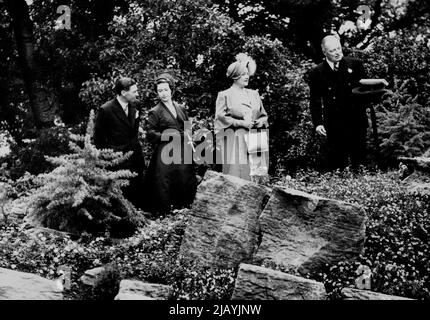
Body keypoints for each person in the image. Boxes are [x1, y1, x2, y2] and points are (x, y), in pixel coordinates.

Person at [308, 35, 368, 170]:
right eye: (332, 50)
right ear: (324, 52)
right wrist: (318, 123)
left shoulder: (356, 65)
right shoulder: (317, 72)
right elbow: (315, 100)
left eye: (339, 48)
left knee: (359, 163)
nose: (337, 53)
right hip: (334, 123)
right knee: (337, 164)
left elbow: (365, 92)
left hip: (356, 120)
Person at [144, 73, 197, 215]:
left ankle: (183, 211)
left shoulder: (180, 108)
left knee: (185, 178)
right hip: (166, 151)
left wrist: (189, 138)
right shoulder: (155, 112)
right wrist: (167, 136)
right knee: (165, 182)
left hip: (183, 149)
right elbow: (150, 134)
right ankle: (164, 214)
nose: (163, 94)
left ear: (171, 90)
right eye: (160, 91)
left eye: (166, 90)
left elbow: (187, 127)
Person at [215, 53, 269, 181]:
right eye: (243, 74)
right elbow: (220, 118)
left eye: (247, 74)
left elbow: (263, 116)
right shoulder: (225, 95)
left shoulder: (254, 94)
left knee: (257, 176)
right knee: (238, 176)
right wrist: (241, 123)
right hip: (236, 139)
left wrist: (260, 122)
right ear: (235, 76)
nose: (246, 77)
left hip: (256, 138)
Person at [93, 77, 145, 209]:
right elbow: (98, 139)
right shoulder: (106, 110)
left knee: (138, 191)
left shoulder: (136, 105)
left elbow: (133, 129)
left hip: (135, 156)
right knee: (121, 197)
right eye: (134, 91)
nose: (137, 94)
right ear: (123, 92)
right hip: (118, 160)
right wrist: (109, 159)